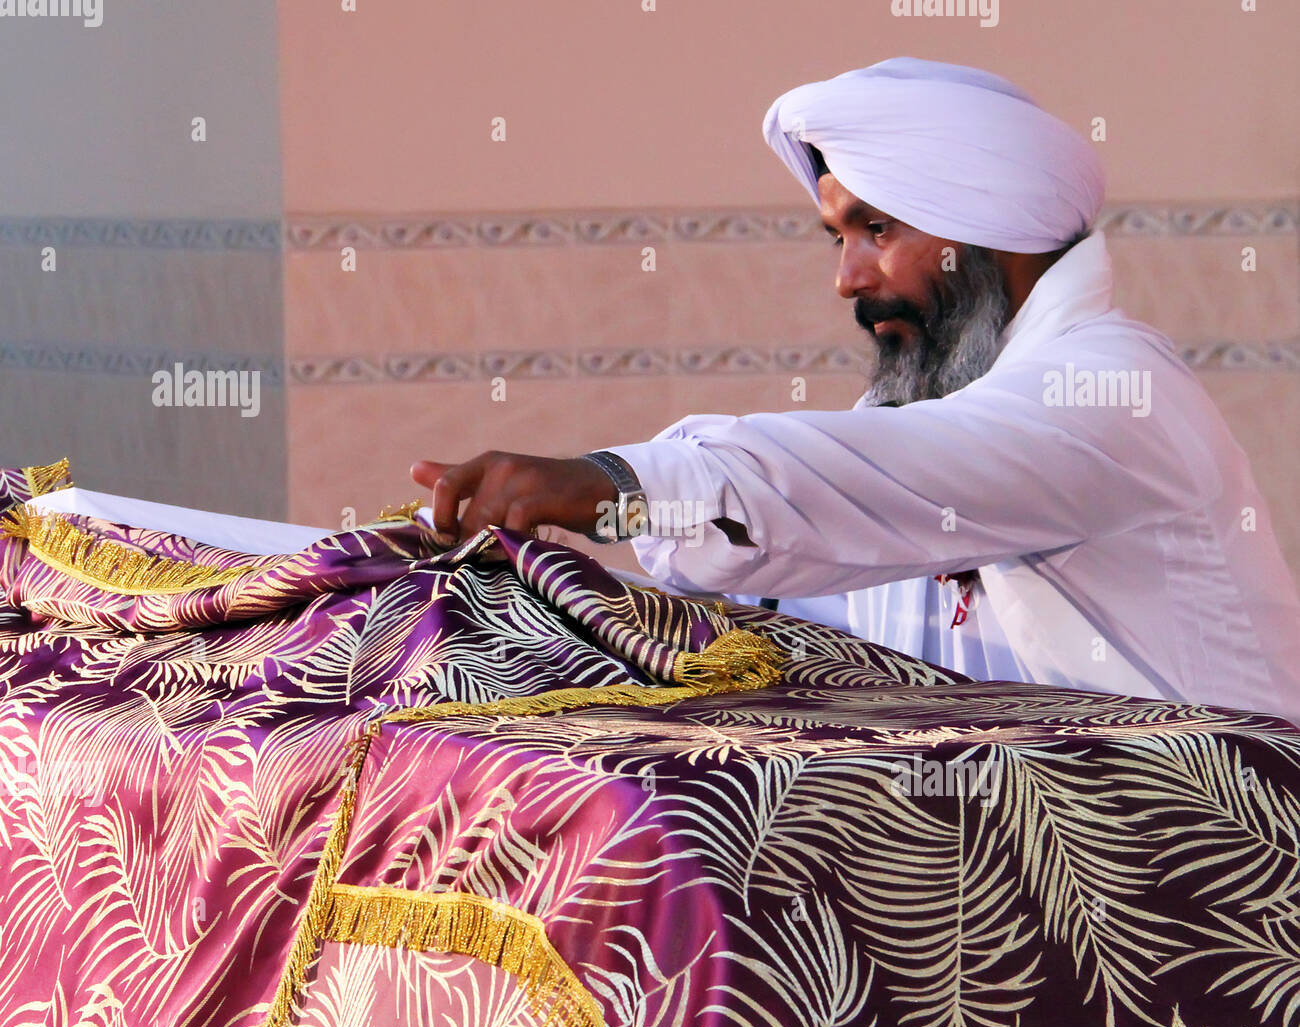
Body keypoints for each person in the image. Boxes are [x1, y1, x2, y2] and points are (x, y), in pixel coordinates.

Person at [411, 58, 1300, 725]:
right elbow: (788, 590)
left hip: (1229, 892)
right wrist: (557, 586)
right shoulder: (906, 421)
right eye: (838, 236)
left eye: (876, 229)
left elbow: (851, 484)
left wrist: (611, 484)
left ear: (994, 229)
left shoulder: (1114, 389)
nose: (847, 278)